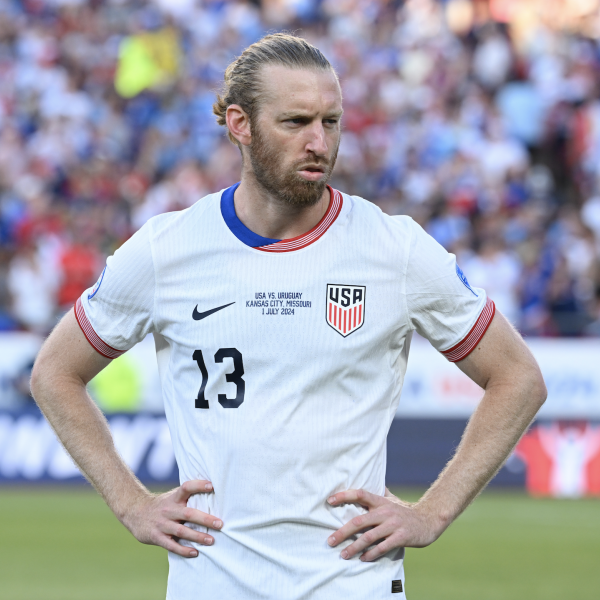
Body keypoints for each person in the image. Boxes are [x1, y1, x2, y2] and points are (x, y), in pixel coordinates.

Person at [31, 34, 547, 599]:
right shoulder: (166, 248)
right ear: (239, 124)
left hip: (352, 584)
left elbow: (518, 377)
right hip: (212, 584)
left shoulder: (394, 250)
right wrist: (131, 505)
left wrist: (433, 512)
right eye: (296, 121)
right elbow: (54, 373)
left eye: (331, 121)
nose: (318, 142)